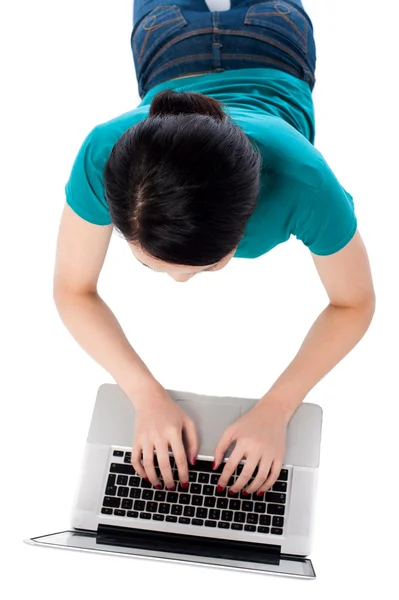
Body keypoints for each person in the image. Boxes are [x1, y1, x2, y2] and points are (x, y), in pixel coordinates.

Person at [54, 0, 375, 497]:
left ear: (249, 218)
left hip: (218, 42)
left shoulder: (304, 183)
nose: (180, 280)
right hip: (223, 41)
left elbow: (356, 303)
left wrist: (276, 410)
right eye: (149, 265)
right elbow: (71, 290)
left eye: (205, 266)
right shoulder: (105, 155)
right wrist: (144, 396)